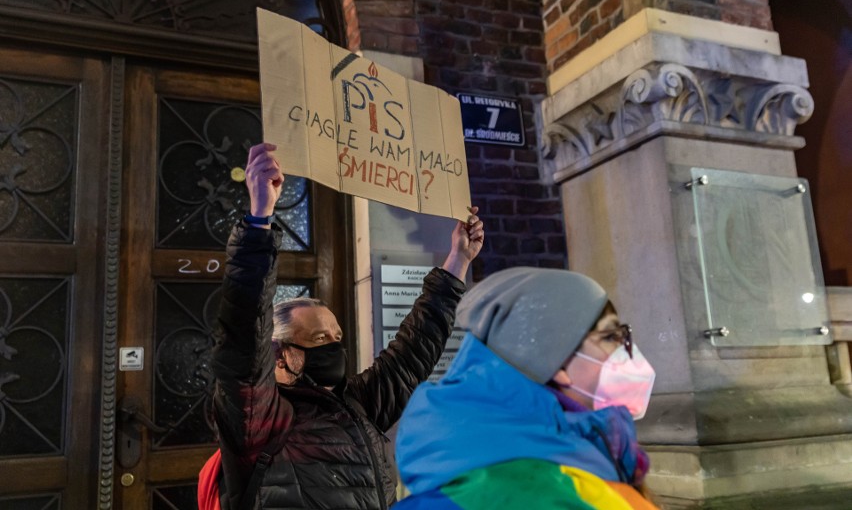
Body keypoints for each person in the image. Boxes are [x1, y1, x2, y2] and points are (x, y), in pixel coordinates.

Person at [211, 143, 484, 510]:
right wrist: (260, 218)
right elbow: (243, 330)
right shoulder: (261, 418)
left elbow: (412, 352)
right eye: (320, 338)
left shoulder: (357, 402)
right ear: (279, 355)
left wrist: (458, 261)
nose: (334, 347)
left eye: (337, 338)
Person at [393, 267, 659, 509]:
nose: (627, 351)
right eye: (611, 337)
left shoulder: (579, 460)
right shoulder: (564, 493)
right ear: (557, 360)